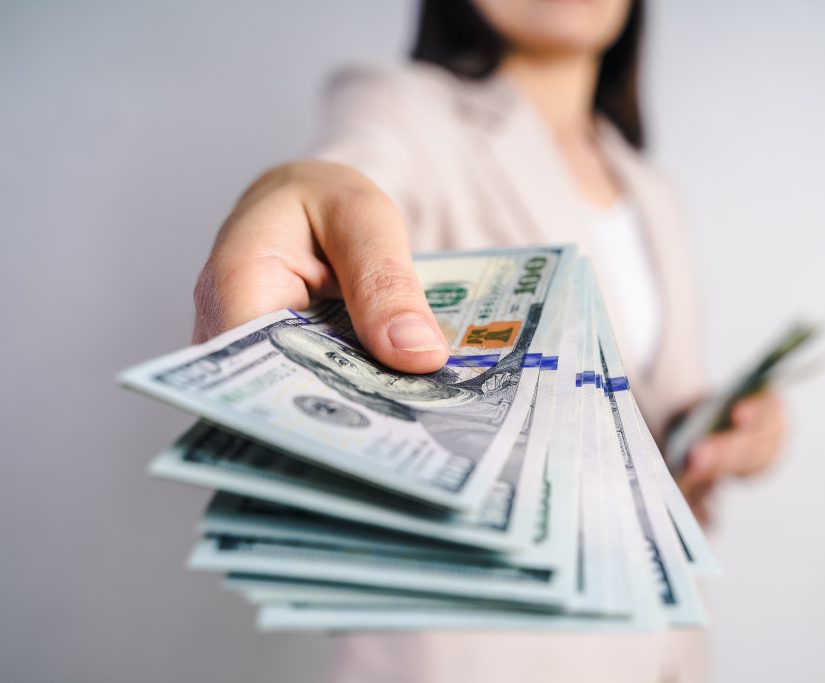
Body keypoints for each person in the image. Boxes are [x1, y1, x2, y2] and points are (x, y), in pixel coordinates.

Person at [192, 0, 785, 680]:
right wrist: (300, 189)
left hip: (661, 646)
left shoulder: (650, 188)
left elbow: (663, 408)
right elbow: (347, 174)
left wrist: (739, 433)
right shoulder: (404, 108)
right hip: (473, 653)